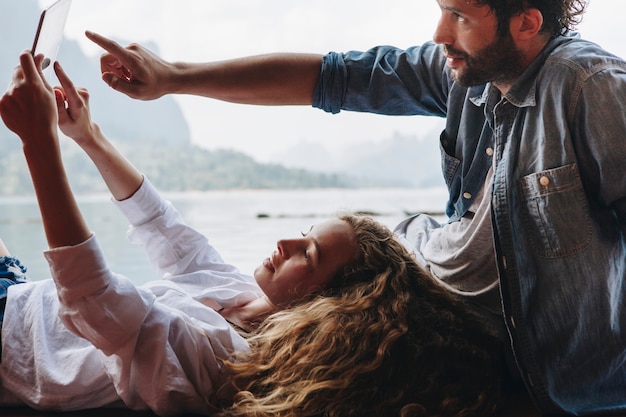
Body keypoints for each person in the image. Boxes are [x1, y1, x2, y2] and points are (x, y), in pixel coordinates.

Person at [83, 0, 626, 414]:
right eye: (441, 10)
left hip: (534, 383)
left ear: (527, 23)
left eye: (459, 15)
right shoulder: (464, 72)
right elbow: (336, 77)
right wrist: (174, 78)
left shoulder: (590, 90)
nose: (439, 34)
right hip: (418, 317)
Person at [0, 53, 506, 417]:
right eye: (304, 234)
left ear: (328, 306)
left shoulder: (224, 362)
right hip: (18, 293)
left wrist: (40, 144)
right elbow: (164, 229)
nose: (285, 244)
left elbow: (95, 303)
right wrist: (87, 135)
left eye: (306, 254)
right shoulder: (239, 294)